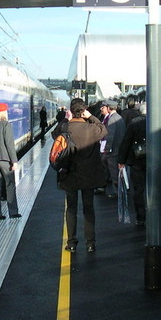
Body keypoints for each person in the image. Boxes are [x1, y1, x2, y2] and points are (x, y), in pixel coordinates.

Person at [53, 98, 108, 252]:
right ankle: (90, 243)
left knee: (71, 208)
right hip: (88, 175)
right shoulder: (91, 128)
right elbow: (103, 129)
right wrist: (90, 116)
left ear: (71, 110)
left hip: (69, 174)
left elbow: (54, 135)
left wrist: (66, 118)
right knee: (88, 208)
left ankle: (71, 243)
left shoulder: (65, 127)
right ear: (84, 111)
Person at [118, 103, 149, 227]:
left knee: (139, 189)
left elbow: (126, 142)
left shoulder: (134, 123)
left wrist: (121, 160)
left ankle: (140, 217)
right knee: (156, 188)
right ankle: (155, 214)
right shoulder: (158, 121)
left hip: (137, 160)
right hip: (155, 160)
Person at [100, 100, 125, 198]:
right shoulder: (119, 118)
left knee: (114, 171)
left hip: (113, 151)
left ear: (109, 108)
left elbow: (110, 135)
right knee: (112, 170)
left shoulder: (112, 119)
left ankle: (117, 192)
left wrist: (107, 148)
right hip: (118, 148)